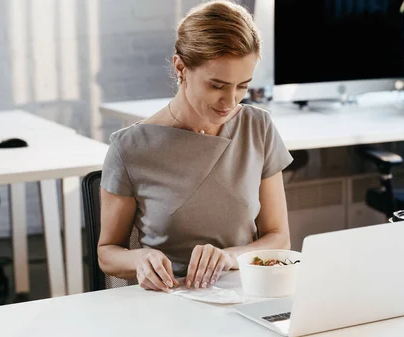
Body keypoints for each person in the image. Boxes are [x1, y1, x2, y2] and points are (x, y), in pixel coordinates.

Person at [98, 0, 293, 293]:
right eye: (217, 85)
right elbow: (107, 252)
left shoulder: (258, 127)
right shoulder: (130, 148)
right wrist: (140, 258)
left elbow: (279, 237)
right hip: (169, 298)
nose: (230, 102)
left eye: (242, 86)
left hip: (244, 294)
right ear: (181, 67)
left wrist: (229, 257)